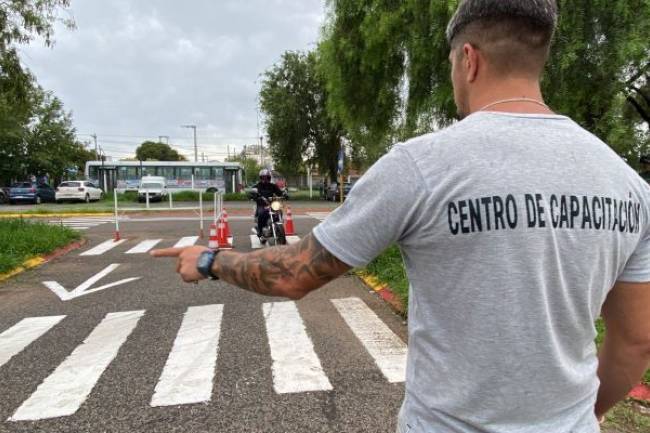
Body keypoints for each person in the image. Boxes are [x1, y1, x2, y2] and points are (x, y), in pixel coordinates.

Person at [152, 0, 650, 431]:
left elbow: (293, 274)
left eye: (453, 64)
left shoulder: (421, 166)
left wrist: (209, 259)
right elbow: (636, 341)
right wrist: (583, 417)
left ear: (469, 60)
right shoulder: (628, 185)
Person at [253, 168, 284, 241]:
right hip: (261, 205)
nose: (265, 179)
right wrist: (254, 195)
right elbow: (252, 193)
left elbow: (279, 192)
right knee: (261, 214)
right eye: (263, 177)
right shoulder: (257, 186)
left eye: (266, 177)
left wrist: (284, 194)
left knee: (279, 211)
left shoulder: (272, 186)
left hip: (271, 204)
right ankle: (260, 232)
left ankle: (277, 226)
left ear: (269, 178)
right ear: (260, 178)